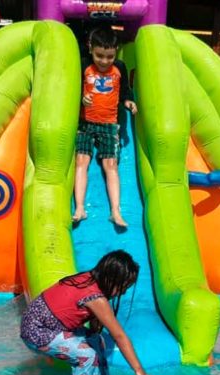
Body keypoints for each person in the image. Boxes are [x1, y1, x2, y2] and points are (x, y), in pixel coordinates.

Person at [20, 250, 157, 375]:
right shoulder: (94, 297)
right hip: (36, 331)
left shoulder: (89, 278)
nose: (124, 292)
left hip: (46, 325)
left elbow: (93, 322)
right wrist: (139, 370)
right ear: (111, 279)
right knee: (87, 355)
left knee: (97, 340)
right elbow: (119, 336)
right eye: (122, 287)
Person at [73, 27, 137, 227]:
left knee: (111, 166)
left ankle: (115, 211)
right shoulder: (84, 65)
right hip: (85, 123)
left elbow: (125, 90)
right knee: (81, 161)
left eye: (109, 56)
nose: (104, 61)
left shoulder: (119, 67)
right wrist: (81, 99)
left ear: (116, 51)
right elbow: (73, 90)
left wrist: (128, 102)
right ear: (90, 48)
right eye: (99, 55)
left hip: (110, 124)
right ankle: (80, 208)